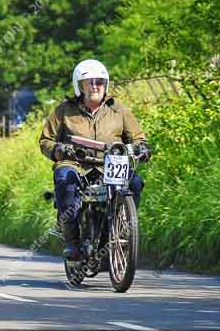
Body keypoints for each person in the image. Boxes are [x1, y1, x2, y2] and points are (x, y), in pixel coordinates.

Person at [39, 59, 151, 259]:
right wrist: (58, 149)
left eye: (99, 81)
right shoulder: (63, 110)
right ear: (79, 86)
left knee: (134, 182)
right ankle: (71, 239)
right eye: (89, 82)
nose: (94, 86)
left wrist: (142, 148)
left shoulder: (119, 109)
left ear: (105, 84)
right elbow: (46, 140)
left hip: (110, 165)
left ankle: (119, 230)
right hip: (75, 164)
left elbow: (137, 137)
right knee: (65, 179)